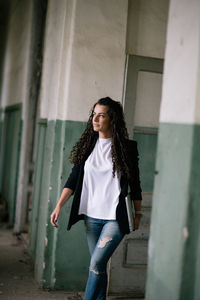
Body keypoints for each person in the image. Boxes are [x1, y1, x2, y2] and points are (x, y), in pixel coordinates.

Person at [50, 97, 142, 300]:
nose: (95, 119)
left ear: (112, 119)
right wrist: (58, 206)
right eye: (94, 115)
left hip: (114, 219)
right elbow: (73, 180)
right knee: (98, 266)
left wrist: (138, 213)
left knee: (96, 264)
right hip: (91, 216)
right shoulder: (88, 146)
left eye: (101, 115)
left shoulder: (127, 148)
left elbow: (135, 184)